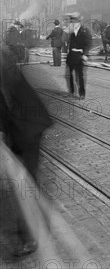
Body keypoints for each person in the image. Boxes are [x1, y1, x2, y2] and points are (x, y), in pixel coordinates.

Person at [0, 43, 53, 257]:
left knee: (24, 182)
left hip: (28, 127)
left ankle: (30, 236)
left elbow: (5, 99)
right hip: (18, 127)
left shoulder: (3, 62)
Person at [65, 13, 92, 100]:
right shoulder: (71, 32)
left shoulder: (85, 30)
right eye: (72, 22)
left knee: (80, 76)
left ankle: (82, 94)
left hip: (79, 55)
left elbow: (88, 44)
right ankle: (71, 92)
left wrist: (85, 54)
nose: (72, 24)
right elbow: (68, 42)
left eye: (74, 22)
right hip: (71, 55)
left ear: (78, 22)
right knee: (69, 75)